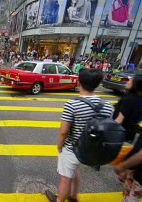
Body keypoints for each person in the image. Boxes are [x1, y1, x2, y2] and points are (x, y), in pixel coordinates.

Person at [45, 69, 113, 202]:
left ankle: (59, 200)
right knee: (75, 170)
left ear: (78, 83)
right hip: (92, 150)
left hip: (72, 149)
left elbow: (63, 131)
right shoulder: (106, 105)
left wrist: (59, 147)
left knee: (65, 178)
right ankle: (73, 195)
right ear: (97, 84)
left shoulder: (72, 104)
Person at [114, 75, 142, 142]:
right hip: (131, 133)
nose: (127, 82)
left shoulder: (128, 99)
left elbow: (119, 120)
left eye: (130, 81)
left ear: (135, 85)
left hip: (120, 133)